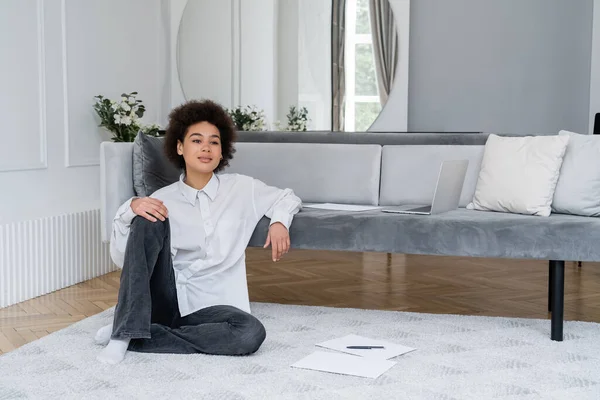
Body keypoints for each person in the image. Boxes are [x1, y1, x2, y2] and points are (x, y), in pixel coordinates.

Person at [95, 99, 302, 364]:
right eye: (196, 140)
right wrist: (130, 209)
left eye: (214, 142)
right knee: (148, 215)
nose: (206, 148)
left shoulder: (242, 188)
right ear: (179, 147)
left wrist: (279, 222)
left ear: (221, 150)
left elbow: (287, 197)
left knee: (250, 333)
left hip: (213, 307)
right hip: (165, 297)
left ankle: (137, 335)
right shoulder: (163, 198)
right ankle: (123, 335)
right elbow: (124, 260)